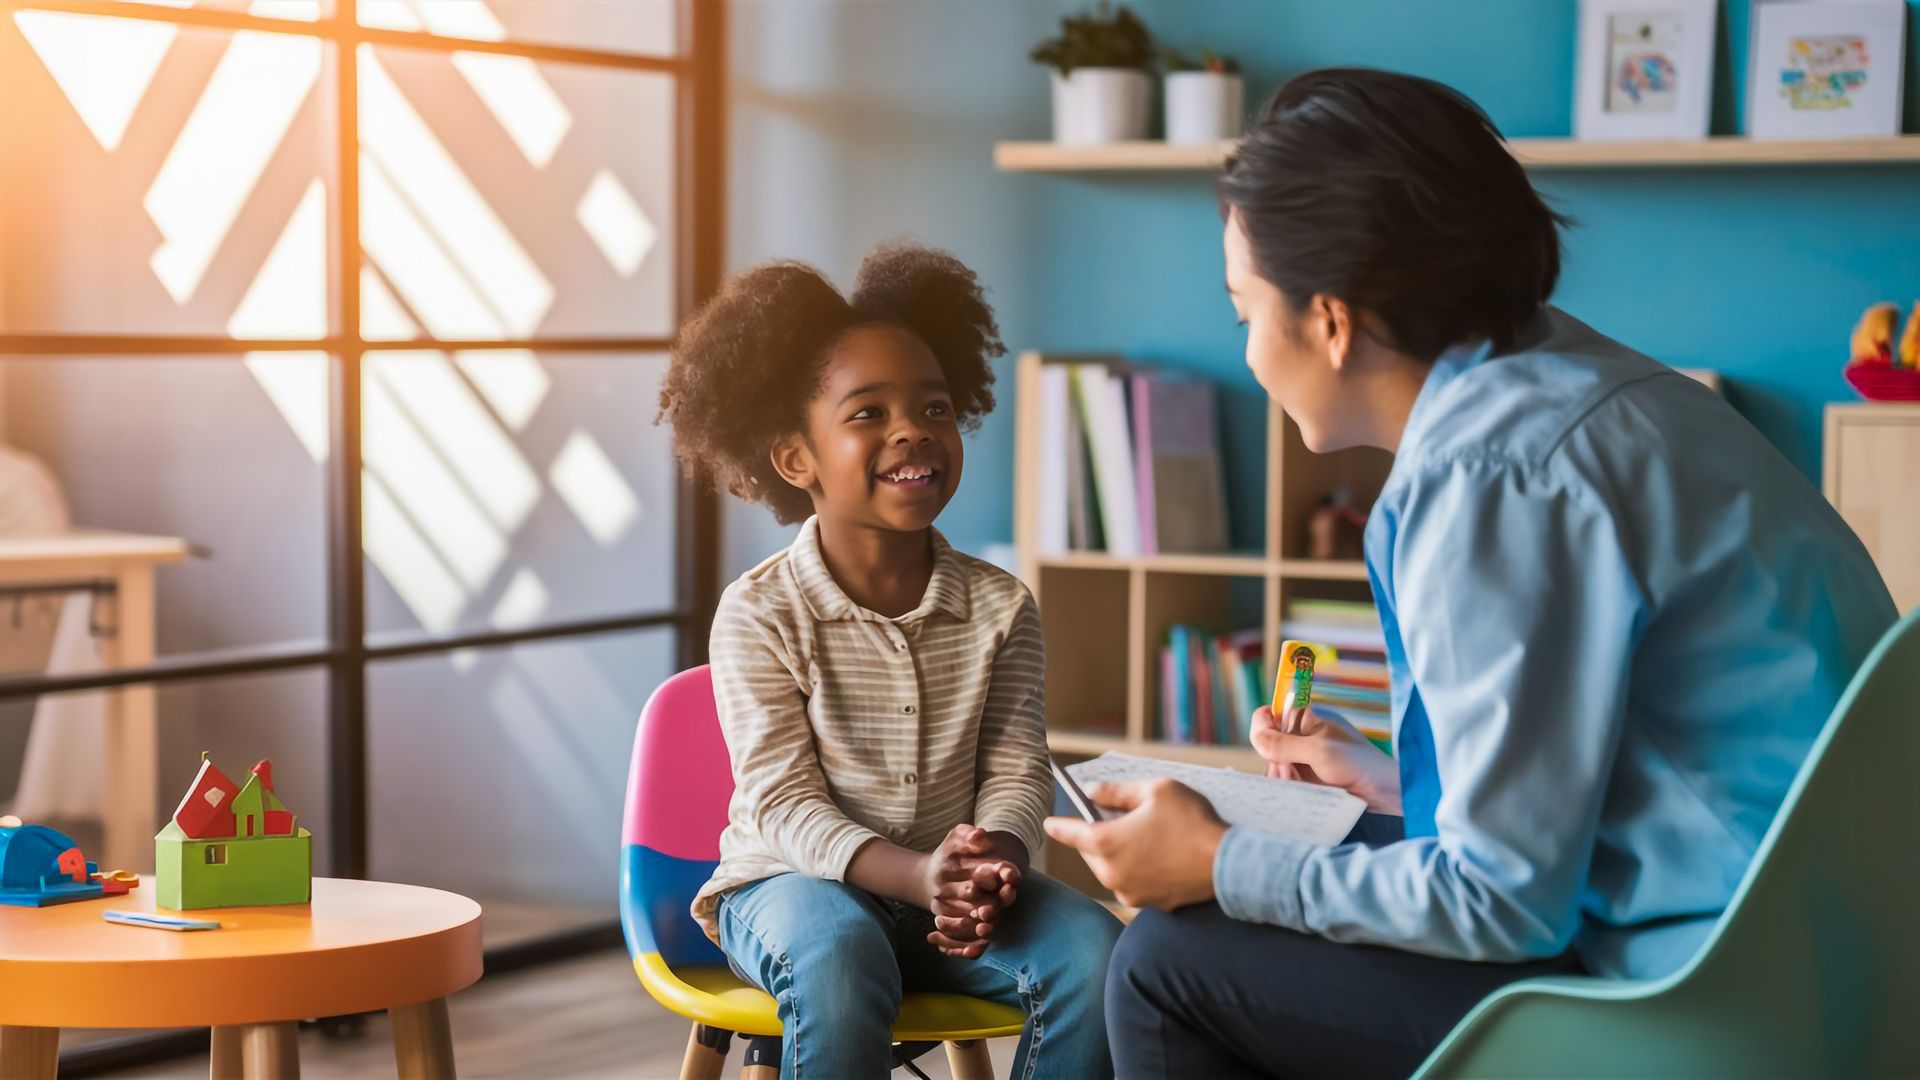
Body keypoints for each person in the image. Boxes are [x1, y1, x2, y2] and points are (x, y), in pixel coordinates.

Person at [1043, 68, 1899, 1078]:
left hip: (1713, 1002)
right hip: (1841, 967)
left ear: (1330, 318)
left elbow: (1504, 902)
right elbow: (1622, 771)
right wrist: (1392, 782)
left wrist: (1220, 863)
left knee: (1163, 962)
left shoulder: (1495, 473)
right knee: (1326, 858)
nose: (1254, 355)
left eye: (1246, 312)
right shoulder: (1604, 395)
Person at [659, 245, 1122, 1080]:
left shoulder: (1002, 606)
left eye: (935, 407)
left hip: (947, 892)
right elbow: (782, 804)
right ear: (795, 457)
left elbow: (1019, 767)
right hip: (791, 885)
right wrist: (918, 874)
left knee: (1097, 953)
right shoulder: (761, 612)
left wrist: (993, 866)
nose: (913, 428)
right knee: (839, 959)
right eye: (868, 413)